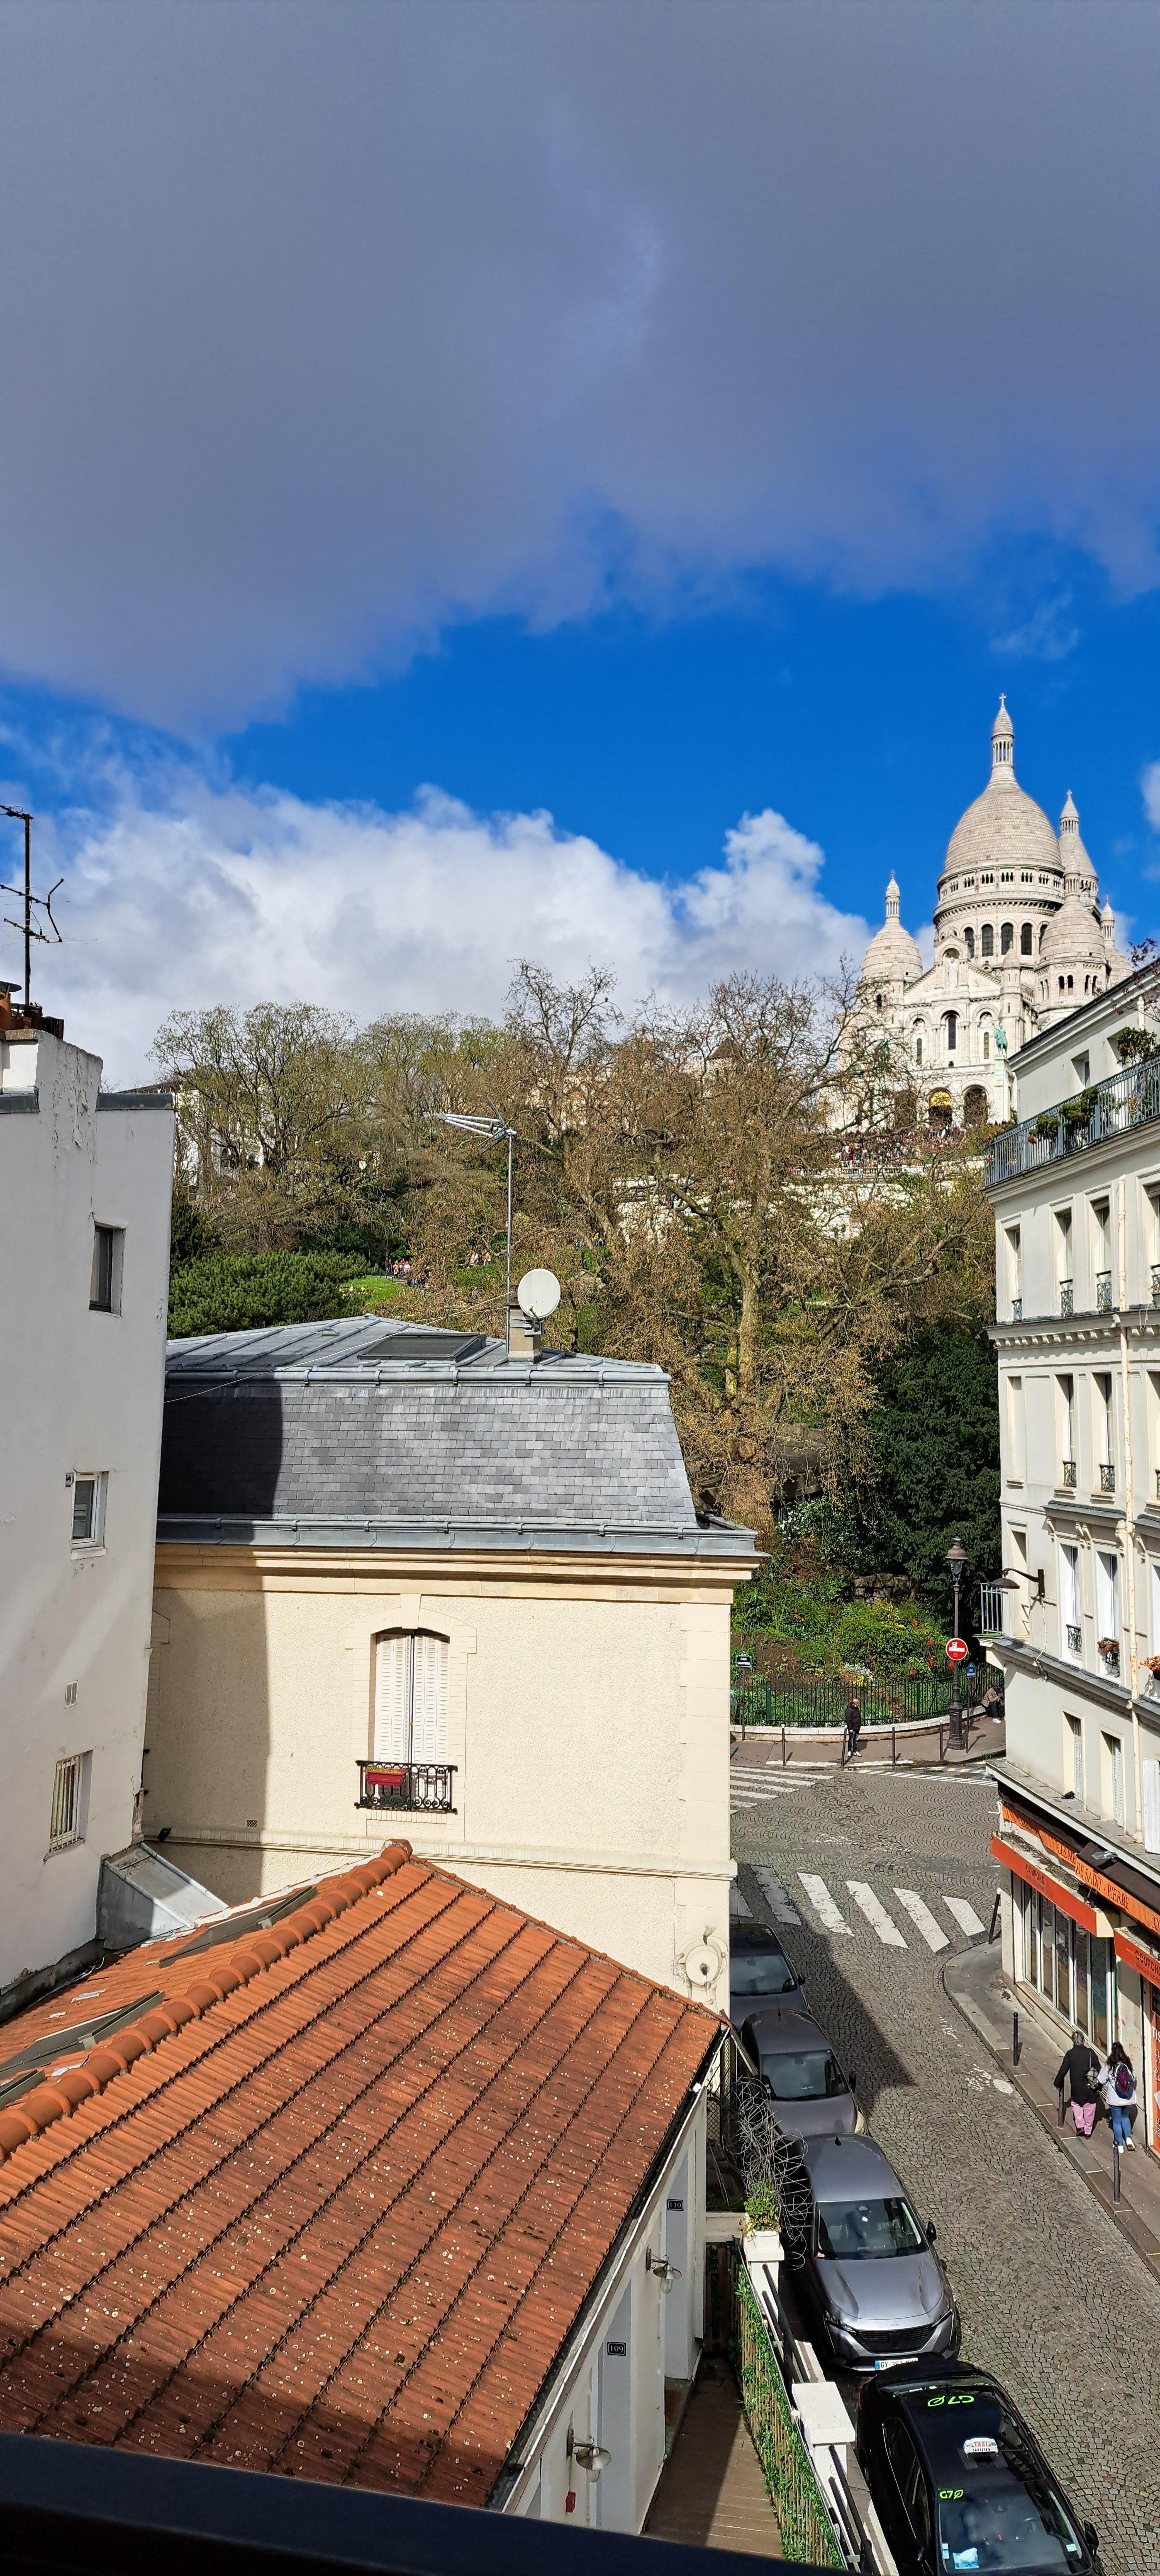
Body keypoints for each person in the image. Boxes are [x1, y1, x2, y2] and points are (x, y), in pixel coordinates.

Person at [1054, 2028, 1100, 2136]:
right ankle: (1088, 2131)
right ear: (1083, 2041)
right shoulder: (1091, 2053)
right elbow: (1099, 2069)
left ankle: (1080, 2126)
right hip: (1090, 2087)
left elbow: (1063, 2071)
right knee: (1089, 2108)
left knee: (1076, 2105)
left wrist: (1057, 2083)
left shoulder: (1071, 2054)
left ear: (1073, 2041)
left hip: (1077, 2087)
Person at [1098, 2041, 1137, 2149]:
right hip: (1129, 2099)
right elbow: (1134, 2078)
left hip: (1116, 2100)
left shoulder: (1109, 2065)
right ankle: (1129, 2139)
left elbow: (1101, 2080)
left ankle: (1120, 2145)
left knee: (1116, 2121)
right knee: (1125, 2117)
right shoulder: (1128, 2064)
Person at [844, 1694, 862, 1758]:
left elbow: (859, 1717)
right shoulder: (849, 1710)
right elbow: (848, 1720)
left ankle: (855, 1750)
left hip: (857, 1727)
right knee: (851, 1739)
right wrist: (850, 1728)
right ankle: (850, 1751)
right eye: (858, 1704)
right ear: (855, 1704)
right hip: (852, 1728)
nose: (858, 1705)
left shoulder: (857, 1709)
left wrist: (859, 1725)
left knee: (856, 1740)